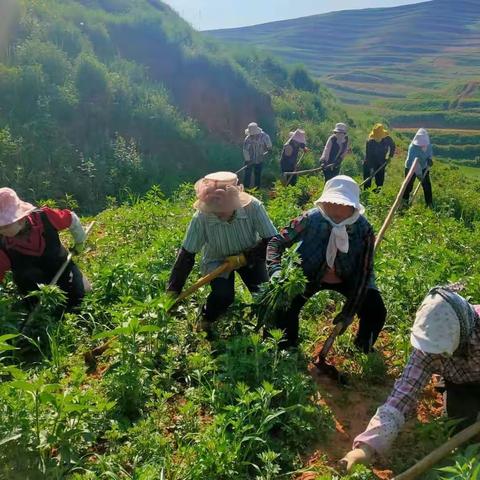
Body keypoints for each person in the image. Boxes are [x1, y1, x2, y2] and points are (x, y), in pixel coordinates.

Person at [341, 286, 480, 472]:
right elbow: (401, 398)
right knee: (463, 431)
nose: (435, 356)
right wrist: (365, 449)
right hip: (461, 384)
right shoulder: (426, 350)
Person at [266, 175, 386, 352]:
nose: (336, 208)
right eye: (332, 202)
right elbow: (276, 243)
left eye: (343, 204)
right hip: (307, 274)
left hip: (348, 277)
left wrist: (349, 311)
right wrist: (276, 271)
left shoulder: (364, 229)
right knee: (283, 304)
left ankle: (362, 346)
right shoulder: (308, 219)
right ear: (324, 202)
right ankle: (286, 346)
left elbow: (364, 272)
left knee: (375, 309)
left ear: (353, 207)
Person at [167, 171, 278, 339]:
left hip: (250, 256)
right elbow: (187, 255)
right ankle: (206, 319)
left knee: (265, 294)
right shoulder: (202, 217)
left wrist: (245, 257)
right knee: (223, 295)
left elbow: (272, 241)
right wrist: (173, 291)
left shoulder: (253, 208)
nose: (216, 212)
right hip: (217, 260)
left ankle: (270, 336)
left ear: (234, 201)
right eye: (212, 207)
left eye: (221, 208)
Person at [0, 187, 89, 311]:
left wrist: (80, 242)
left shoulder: (45, 217)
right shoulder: (3, 245)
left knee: (78, 299)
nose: (1, 230)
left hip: (61, 267)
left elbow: (71, 218)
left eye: (4, 226)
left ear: (20, 220)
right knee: (40, 307)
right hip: (33, 284)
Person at [402, 128, 433, 207]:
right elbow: (414, 164)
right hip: (411, 168)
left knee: (427, 185)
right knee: (408, 186)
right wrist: (420, 176)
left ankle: (429, 203)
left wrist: (429, 159)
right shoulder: (413, 148)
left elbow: (430, 154)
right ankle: (404, 203)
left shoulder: (428, 145)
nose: (423, 145)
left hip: (423, 166)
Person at [363, 124, 396, 191]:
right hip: (369, 163)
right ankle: (366, 195)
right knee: (367, 181)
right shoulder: (370, 142)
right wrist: (371, 168)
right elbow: (369, 156)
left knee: (380, 182)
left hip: (381, 162)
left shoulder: (387, 139)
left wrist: (390, 156)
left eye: (378, 137)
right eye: (375, 137)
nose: (376, 139)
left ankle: (377, 194)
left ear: (382, 136)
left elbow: (392, 146)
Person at [242, 122, 272, 189]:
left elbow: (269, 144)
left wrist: (269, 149)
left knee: (257, 174)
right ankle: (246, 189)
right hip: (249, 159)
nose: (253, 135)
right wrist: (248, 160)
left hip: (259, 159)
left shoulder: (264, 136)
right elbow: (245, 150)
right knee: (247, 175)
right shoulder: (248, 139)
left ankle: (257, 190)